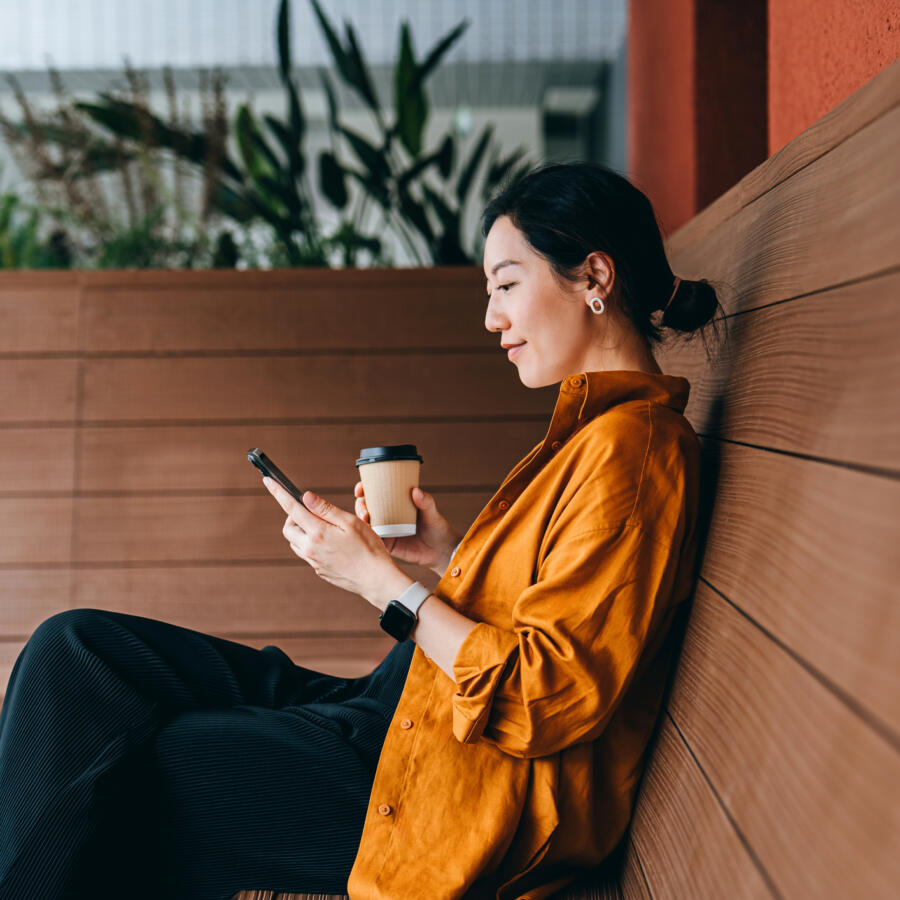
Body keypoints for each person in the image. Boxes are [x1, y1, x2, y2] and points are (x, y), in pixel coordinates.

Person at [0, 160, 723, 900]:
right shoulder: (593, 437)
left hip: (448, 785)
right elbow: (546, 604)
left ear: (594, 276)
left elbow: (550, 697)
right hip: (400, 713)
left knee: (154, 766)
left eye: (505, 284)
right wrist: (443, 558)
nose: (490, 317)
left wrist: (384, 584)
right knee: (77, 649)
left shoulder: (632, 453)